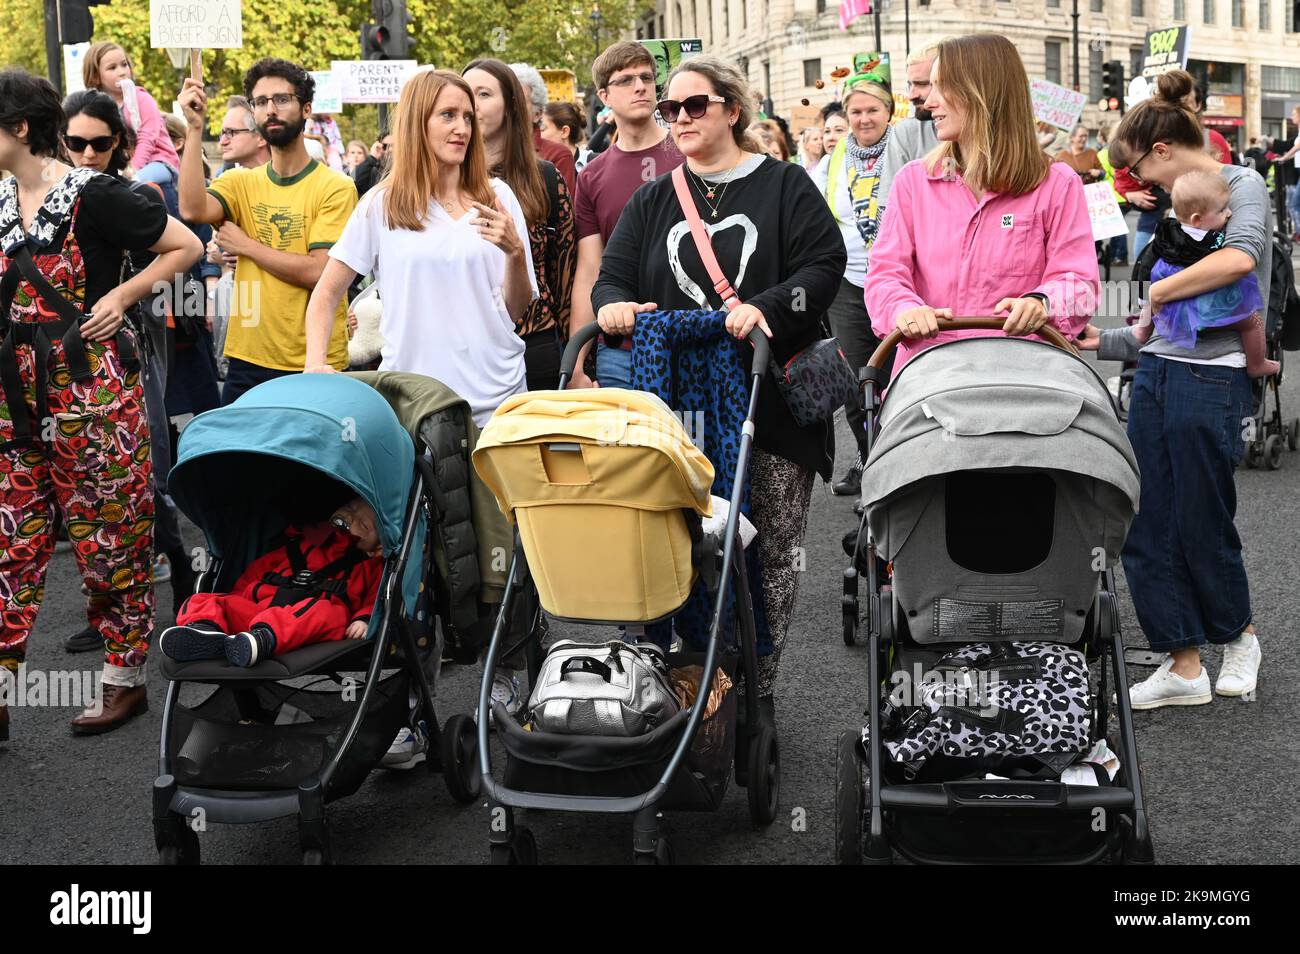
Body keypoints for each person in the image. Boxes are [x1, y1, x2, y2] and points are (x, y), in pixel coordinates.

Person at [592, 55, 846, 709]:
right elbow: (612, 277)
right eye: (669, 109)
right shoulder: (654, 200)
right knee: (683, 539)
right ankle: (688, 681)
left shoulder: (785, 185)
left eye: (693, 105)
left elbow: (825, 262)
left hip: (773, 401)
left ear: (733, 109)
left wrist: (768, 305)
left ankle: (758, 683)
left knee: (769, 545)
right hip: (683, 407)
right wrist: (614, 308)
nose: (678, 118)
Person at [302, 68, 536, 738]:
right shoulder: (381, 206)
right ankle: (409, 712)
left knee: (504, 564)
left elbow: (520, 312)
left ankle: (512, 691)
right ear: (417, 124)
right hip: (415, 415)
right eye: (447, 116)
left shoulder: (498, 200)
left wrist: (514, 252)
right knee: (413, 568)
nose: (462, 128)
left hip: (495, 407)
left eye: (467, 115)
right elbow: (327, 294)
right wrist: (322, 367)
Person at [0, 69, 201, 738]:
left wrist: (122, 295)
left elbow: (187, 245)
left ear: (20, 127)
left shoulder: (98, 195)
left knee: (112, 538)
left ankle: (123, 679)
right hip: (11, 401)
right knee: (10, 543)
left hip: (94, 396)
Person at [1076, 69, 1270, 710]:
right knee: (1146, 519)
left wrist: (1156, 289)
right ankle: (1181, 661)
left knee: (1201, 516)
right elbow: (1150, 330)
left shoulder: (1239, 184)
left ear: (1161, 150)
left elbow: (1240, 258)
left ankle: (1237, 638)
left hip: (1212, 377)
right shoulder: (1168, 217)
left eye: (1136, 171)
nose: (1136, 188)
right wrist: (1095, 342)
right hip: (1157, 373)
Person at [58, 89, 216, 647]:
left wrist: (123, 296)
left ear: (119, 144)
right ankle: (112, 607)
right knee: (87, 485)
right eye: (75, 142)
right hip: (64, 363)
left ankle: (180, 574)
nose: (86, 153)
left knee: (142, 471)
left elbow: (185, 250)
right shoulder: (49, 198)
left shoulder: (129, 194)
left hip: (133, 346)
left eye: (99, 143)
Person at [864, 34, 1098, 376]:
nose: (929, 102)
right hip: (931, 380)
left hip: (1027, 379)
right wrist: (904, 309)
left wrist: (1043, 302)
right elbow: (885, 274)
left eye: (942, 87)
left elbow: (1080, 282)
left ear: (982, 93)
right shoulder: (913, 182)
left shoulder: (1057, 183)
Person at [177, 57, 357, 404]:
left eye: (281, 99)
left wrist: (247, 247)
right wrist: (194, 127)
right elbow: (191, 208)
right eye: (260, 102)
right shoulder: (238, 181)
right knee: (241, 459)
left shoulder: (336, 187)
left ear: (306, 108)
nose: (270, 109)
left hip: (314, 364)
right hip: (248, 363)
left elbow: (321, 272)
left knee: (308, 460)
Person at [569, 41, 685, 390]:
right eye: (626, 80)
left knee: (699, 443)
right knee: (628, 444)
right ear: (604, 94)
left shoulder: (691, 152)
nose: (640, 86)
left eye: (647, 77)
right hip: (622, 347)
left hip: (696, 334)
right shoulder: (592, 175)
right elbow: (590, 270)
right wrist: (575, 362)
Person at [159, 496, 383, 667]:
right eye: (351, 508)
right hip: (260, 610)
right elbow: (255, 574)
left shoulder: (369, 565)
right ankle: (205, 632)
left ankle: (262, 640)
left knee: (328, 612)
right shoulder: (297, 544)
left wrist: (364, 620)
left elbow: (377, 597)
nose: (352, 518)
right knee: (203, 599)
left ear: (376, 549)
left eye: (363, 525)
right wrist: (235, 602)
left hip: (310, 622)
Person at [464, 59, 575, 392]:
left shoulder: (544, 177)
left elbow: (565, 276)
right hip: (467, 346)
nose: (472, 105)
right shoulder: (443, 181)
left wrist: (576, 360)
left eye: (483, 94)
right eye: (466, 94)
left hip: (535, 343)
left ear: (511, 105)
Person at [819, 72, 895, 495]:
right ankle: (872, 463)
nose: (864, 119)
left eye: (872, 110)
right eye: (856, 112)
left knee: (904, 375)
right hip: (849, 285)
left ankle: (907, 464)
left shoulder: (908, 154)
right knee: (858, 380)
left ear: (889, 112)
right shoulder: (830, 164)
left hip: (903, 282)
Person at [1131, 169, 1278, 378]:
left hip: (1169, 311)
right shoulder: (1215, 240)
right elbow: (1228, 264)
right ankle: (1257, 364)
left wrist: (1142, 299)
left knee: (1151, 297)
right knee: (1252, 322)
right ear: (1197, 219)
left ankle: (1142, 331)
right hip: (1207, 311)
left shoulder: (1167, 232)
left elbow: (1145, 264)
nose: (1229, 213)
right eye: (1222, 210)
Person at [81, 41, 180, 190]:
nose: (122, 71)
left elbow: (148, 138)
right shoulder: (98, 106)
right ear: (95, 76)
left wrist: (133, 168)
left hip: (158, 161)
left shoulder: (141, 98)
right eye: (112, 68)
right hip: (124, 166)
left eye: (124, 64)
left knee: (134, 184)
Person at [877, 41, 942, 213]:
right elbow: (891, 211)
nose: (911, 95)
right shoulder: (906, 133)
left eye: (922, 84)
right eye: (910, 85)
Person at [510, 63, 577, 195]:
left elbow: (563, 212)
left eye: (519, 101)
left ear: (538, 113)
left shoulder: (557, 155)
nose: (511, 107)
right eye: (507, 99)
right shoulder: (482, 150)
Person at [1097, 122, 1129, 265]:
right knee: (1116, 227)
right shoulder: (1118, 151)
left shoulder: (1103, 154)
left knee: (1115, 228)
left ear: (1102, 137)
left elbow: (1104, 174)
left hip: (1110, 196)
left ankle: (1120, 255)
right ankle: (1116, 255)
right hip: (1122, 195)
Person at [215, 95, 270, 173]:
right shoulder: (229, 181)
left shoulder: (289, 179)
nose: (222, 142)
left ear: (261, 137)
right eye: (222, 133)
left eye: (230, 132)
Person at [542, 101, 592, 173]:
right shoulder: (542, 167)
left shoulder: (595, 165)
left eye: (543, 129)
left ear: (565, 131)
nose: (538, 134)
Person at [811, 108, 849, 193]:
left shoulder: (859, 167)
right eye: (827, 131)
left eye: (839, 130)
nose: (831, 138)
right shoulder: (822, 165)